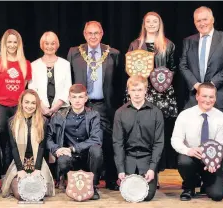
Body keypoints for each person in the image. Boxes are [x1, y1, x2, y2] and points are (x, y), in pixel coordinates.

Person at [126, 11, 178, 185]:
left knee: (156, 134)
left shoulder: (168, 45)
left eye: (155, 21)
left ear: (159, 23)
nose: (151, 24)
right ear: (144, 24)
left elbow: (173, 69)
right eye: (148, 21)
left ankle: (154, 173)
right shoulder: (135, 44)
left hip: (160, 94)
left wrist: (161, 82)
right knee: (138, 133)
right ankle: (138, 171)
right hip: (139, 93)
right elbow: (129, 69)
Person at [67, 21, 119, 190]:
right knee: (81, 139)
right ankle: (80, 178)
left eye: (96, 33)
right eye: (90, 33)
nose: (93, 36)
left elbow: (118, 84)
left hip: (105, 105)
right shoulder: (74, 53)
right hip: (81, 104)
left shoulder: (113, 54)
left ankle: (110, 178)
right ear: (84, 34)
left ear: (102, 34)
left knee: (108, 142)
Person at [171, 82, 223, 201]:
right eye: (204, 96)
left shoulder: (221, 118)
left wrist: (214, 160)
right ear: (197, 96)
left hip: (211, 160)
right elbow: (175, 140)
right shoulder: (185, 115)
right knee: (184, 161)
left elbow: (220, 145)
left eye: (211, 97)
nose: (208, 100)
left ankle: (207, 184)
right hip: (192, 157)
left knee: (218, 195)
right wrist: (188, 150)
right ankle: (189, 186)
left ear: (215, 98)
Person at [46, 84, 103, 200]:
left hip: (87, 157)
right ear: (69, 98)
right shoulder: (59, 115)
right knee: (62, 160)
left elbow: (96, 139)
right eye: (74, 97)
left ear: (86, 98)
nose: (77, 100)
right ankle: (70, 184)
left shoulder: (93, 115)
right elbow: (48, 137)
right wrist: (57, 149)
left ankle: (92, 186)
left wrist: (73, 148)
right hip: (70, 158)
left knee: (97, 150)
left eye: (81, 97)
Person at [113, 75, 164, 201]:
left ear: (146, 90)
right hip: (128, 159)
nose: (136, 94)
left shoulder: (156, 112)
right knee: (129, 194)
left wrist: (152, 169)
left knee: (147, 195)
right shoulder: (120, 113)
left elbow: (159, 143)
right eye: (133, 90)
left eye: (140, 90)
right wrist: (120, 170)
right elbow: (118, 143)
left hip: (147, 159)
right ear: (128, 90)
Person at [0, 29, 32, 174]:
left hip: (18, 108)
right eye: (9, 42)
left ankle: (14, 171)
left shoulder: (25, 64)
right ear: (4, 44)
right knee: (1, 138)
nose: (12, 45)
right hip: (0, 106)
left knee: (16, 139)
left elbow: (23, 87)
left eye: (15, 42)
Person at [179, 6, 223, 114]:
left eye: (205, 19)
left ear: (212, 20)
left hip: (218, 97)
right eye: (198, 21)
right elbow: (183, 65)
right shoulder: (188, 41)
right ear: (195, 23)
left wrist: (211, 84)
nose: (202, 23)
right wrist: (196, 85)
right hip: (194, 98)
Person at [1, 89, 55, 200]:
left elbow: (41, 147)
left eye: (33, 103)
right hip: (19, 162)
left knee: (39, 193)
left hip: (37, 161)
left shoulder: (43, 121)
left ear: (37, 105)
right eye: (27, 102)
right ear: (21, 103)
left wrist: (38, 169)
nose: (29, 106)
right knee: (21, 194)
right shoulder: (12, 121)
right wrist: (20, 170)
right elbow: (13, 148)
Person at [28, 31, 71, 117]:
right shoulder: (33, 65)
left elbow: (67, 87)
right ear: (42, 45)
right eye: (46, 43)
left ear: (57, 45)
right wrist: (43, 107)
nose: (49, 46)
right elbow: (32, 89)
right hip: (39, 110)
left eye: (53, 43)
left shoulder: (65, 64)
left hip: (61, 110)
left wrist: (55, 108)